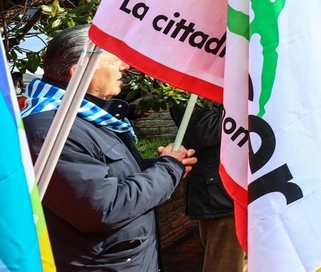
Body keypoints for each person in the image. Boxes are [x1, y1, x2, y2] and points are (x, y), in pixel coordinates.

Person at [22, 25, 196, 272]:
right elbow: (103, 208)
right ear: (79, 72)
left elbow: (108, 178)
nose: (125, 66)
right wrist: (168, 169)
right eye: (114, 59)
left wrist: (164, 165)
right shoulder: (50, 129)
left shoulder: (87, 118)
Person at [171, 102, 246, 271]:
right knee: (225, 263)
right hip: (221, 193)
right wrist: (250, 113)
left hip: (230, 190)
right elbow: (203, 129)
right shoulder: (189, 91)